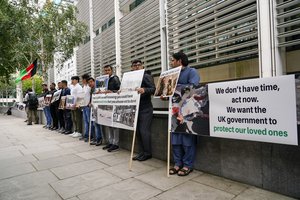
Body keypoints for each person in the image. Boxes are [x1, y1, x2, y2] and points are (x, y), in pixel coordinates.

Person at [168, 51, 200, 176]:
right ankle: (177, 163)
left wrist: (176, 89)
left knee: (187, 139)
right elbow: (169, 92)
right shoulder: (172, 75)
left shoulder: (192, 72)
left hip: (187, 111)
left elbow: (193, 87)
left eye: (172, 60)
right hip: (174, 111)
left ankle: (187, 165)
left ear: (179, 61)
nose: (171, 63)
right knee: (175, 139)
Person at [132, 60, 156, 161]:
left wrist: (144, 90)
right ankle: (141, 152)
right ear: (132, 67)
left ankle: (147, 153)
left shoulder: (146, 76)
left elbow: (153, 89)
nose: (137, 67)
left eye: (139, 65)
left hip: (145, 108)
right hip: (136, 108)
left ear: (142, 66)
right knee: (138, 132)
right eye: (135, 66)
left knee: (144, 131)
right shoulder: (132, 77)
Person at [101, 65, 121, 152]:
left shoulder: (115, 79)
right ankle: (110, 142)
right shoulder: (104, 80)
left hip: (114, 104)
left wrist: (112, 92)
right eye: (105, 71)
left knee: (114, 124)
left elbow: (120, 90)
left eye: (108, 70)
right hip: (107, 104)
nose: (107, 72)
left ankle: (115, 143)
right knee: (108, 123)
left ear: (112, 71)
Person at [87, 77, 102, 145]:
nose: (90, 83)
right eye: (88, 82)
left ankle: (99, 139)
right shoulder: (91, 89)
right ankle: (96, 138)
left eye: (91, 82)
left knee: (97, 124)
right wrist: (90, 103)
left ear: (94, 81)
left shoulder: (98, 88)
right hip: (93, 108)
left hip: (98, 108)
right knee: (93, 124)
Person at [79, 74, 92, 141]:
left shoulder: (89, 87)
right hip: (83, 106)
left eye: (82, 79)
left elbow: (90, 96)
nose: (82, 81)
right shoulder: (83, 87)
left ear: (85, 79)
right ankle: (86, 135)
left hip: (88, 106)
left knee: (89, 121)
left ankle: (90, 136)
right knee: (85, 121)